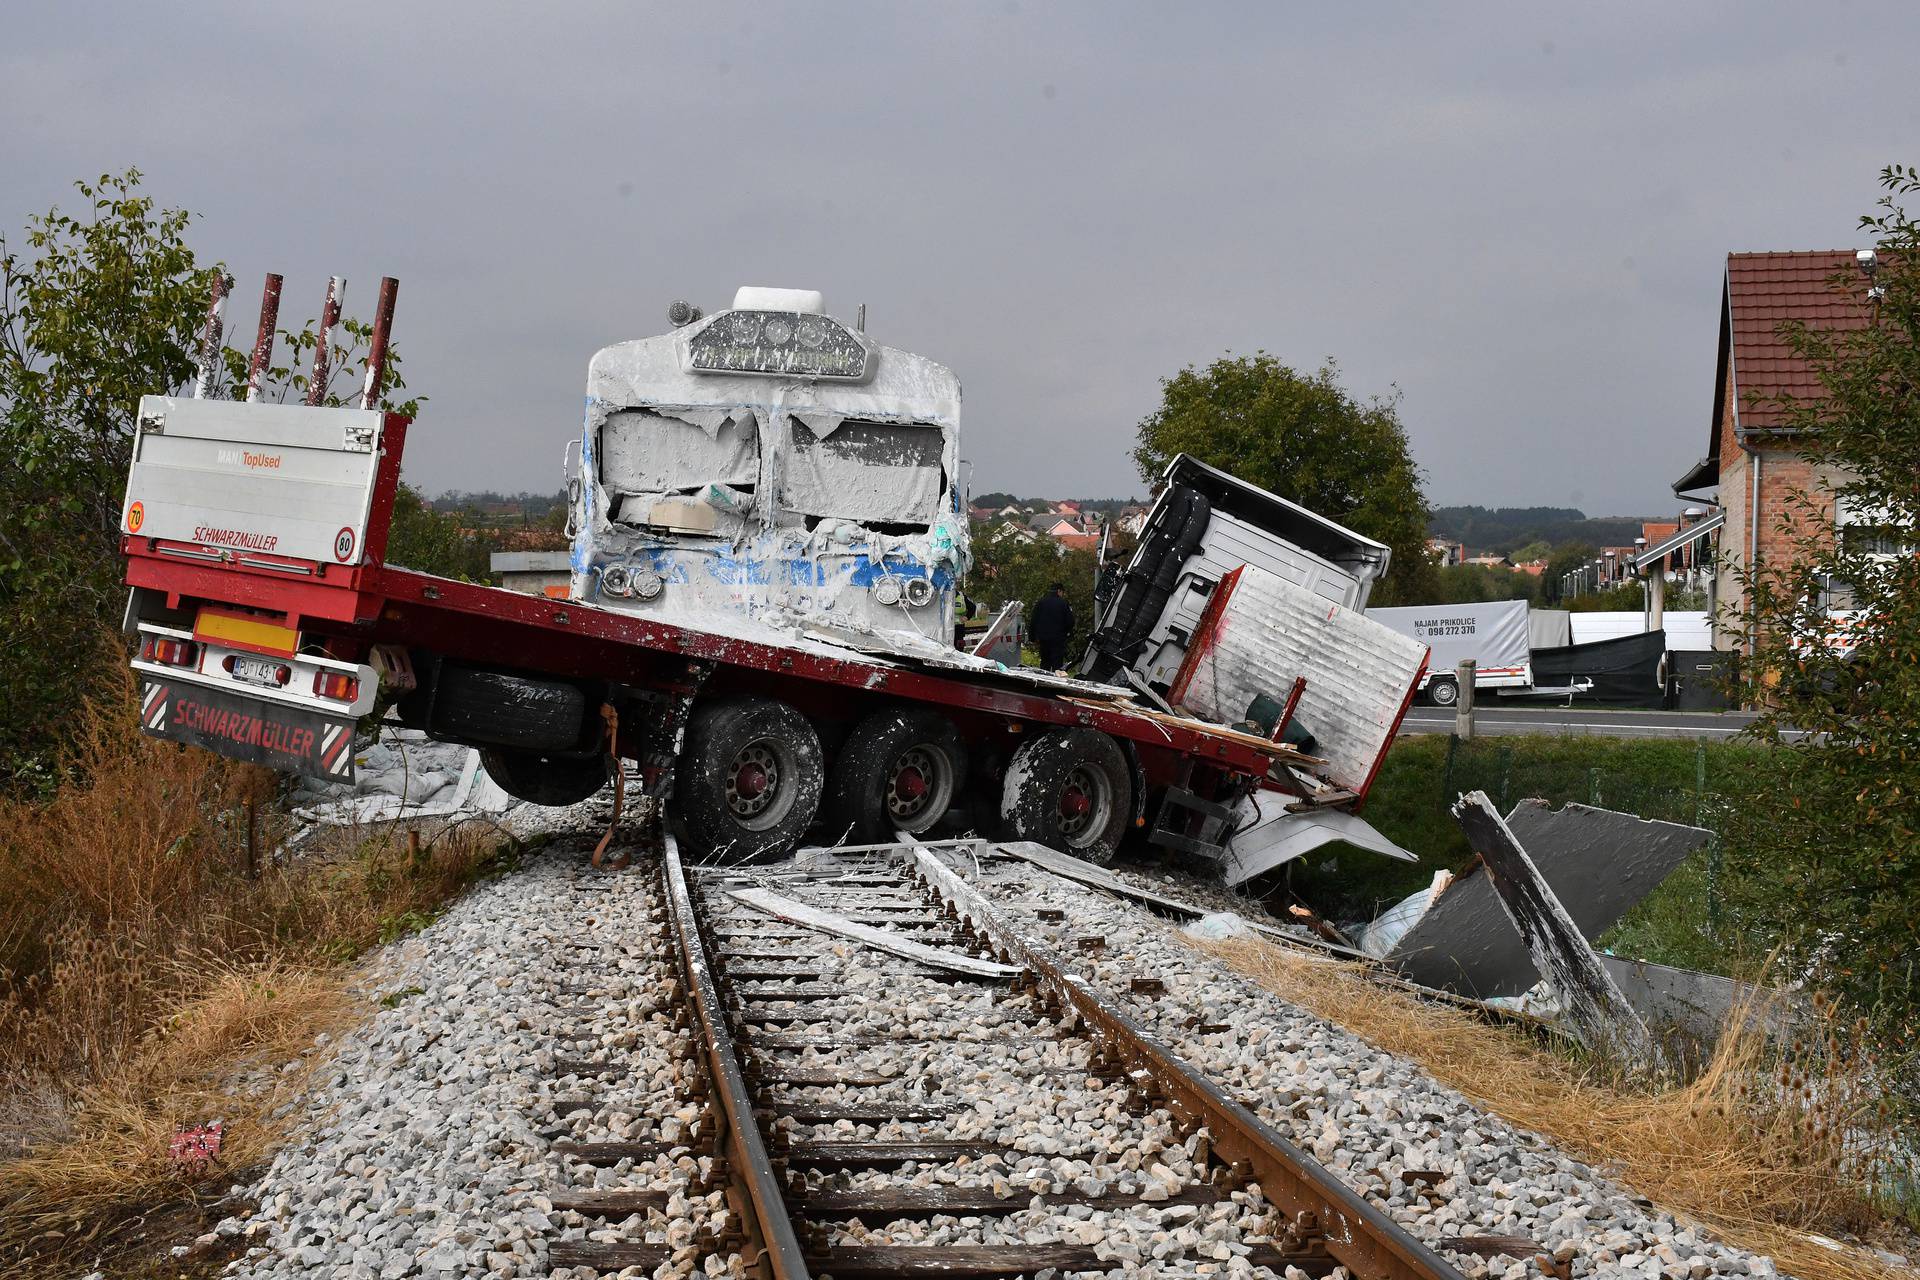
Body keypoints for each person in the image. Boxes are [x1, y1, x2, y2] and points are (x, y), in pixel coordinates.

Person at [1030, 582, 1075, 671]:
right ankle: (1055, 681)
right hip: (1058, 639)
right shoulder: (1063, 603)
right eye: (1062, 592)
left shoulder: (1041, 602)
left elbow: (1033, 620)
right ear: (1059, 591)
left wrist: (1033, 637)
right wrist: (1066, 633)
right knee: (1057, 665)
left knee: (1044, 662)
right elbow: (1070, 621)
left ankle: (1043, 680)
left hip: (1043, 639)